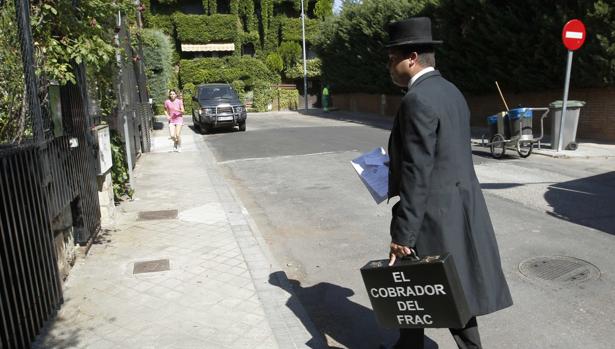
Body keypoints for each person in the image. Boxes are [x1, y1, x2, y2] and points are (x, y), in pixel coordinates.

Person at [384, 17, 513, 349]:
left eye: (391, 57)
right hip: (457, 209)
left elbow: (417, 171)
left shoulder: (417, 100)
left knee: (439, 289)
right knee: (423, 288)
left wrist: (403, 234)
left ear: (411, 57)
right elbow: (440, 154)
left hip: (430, 216)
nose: (389, 64)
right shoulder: (450, 91)